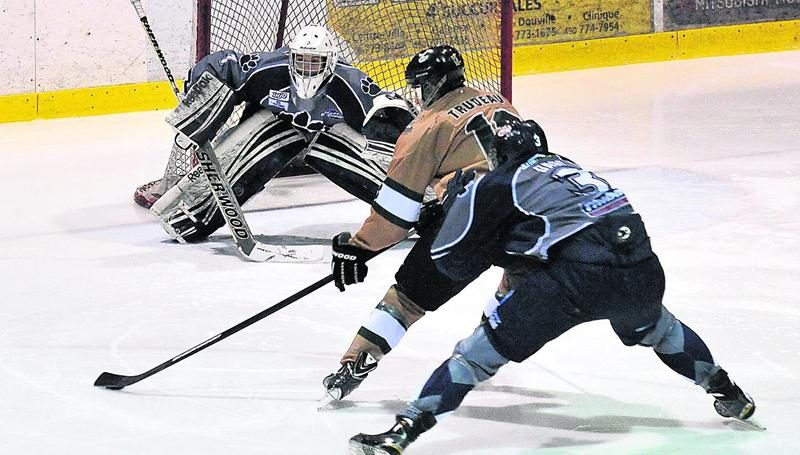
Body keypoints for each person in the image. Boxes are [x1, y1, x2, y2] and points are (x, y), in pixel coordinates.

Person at [348, 119, 757, 454]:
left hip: (574, 284)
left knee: (473, 358)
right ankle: (728, 392)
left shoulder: (499, 182)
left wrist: (455, 208)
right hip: (643, 269)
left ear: (501, 155)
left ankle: (401, 433)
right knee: (662, 330)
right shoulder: (569, 168)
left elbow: (451, 262)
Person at [323, 44, 521, 405]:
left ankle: (355, 362)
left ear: (431, 84)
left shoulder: (426, 127)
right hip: (527, 211)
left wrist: (358, 248)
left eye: (419, 85)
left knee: (408, 299)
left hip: (468, 223)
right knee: (518, 277)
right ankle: (491, 341)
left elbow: (395, 214)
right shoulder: (500, 101)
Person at [146, 25, 415, 243]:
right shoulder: (269, 69)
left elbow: (389, 112)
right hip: (271, 132)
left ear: (331, 62)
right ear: (290, 56)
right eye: (301, 60)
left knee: (371, 159)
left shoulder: (350, 83)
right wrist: (198, 100)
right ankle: (192, 213)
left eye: (315, 62)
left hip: (329, 139)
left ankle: (414, 210)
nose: (306, 69)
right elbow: (223, 66)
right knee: (251, 147)